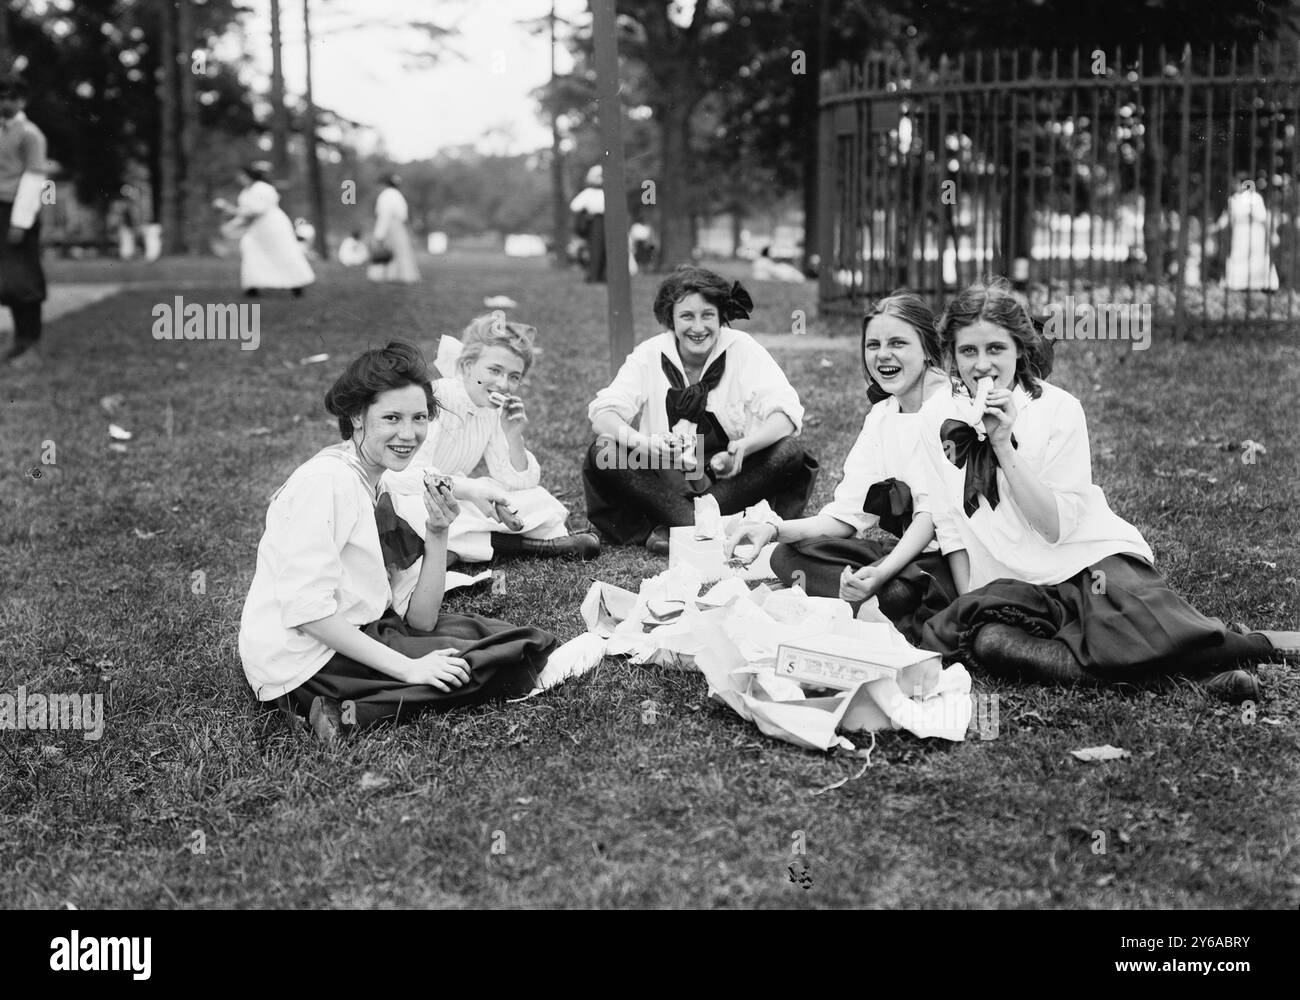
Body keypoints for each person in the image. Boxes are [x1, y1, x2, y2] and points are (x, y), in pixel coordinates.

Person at [914, 278, 1299, 700]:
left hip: (1085, 562)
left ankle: (1251, 645)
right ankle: (1184, 675)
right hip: (1012, 581)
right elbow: (950, 525)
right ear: (951, 355)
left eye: (995, 349)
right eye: (968, 350)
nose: (982, 365)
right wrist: (974, 599)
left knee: (1136, 628)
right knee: (992, 644)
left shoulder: (1059, 410)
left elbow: (1054, 527)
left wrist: (1004, 444)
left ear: (1020, 350)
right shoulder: (936, 416)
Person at [239, 341, 558, 742]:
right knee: (499, 665)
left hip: (366, 627)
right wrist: (409, 668)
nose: (408, 434)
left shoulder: (380, 478)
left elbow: (421, 619)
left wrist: (439, 533)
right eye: (391, 418)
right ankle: (348, 712)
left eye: (419, 418)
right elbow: (307, 613)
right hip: (306, 659)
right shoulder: (326, 484)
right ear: (357, 415)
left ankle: (372, 695)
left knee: (512, 640)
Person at [725, 291, 957, 644]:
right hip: (906, 559)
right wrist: (771, 530)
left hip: (953, 560)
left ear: (927, 349)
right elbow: (847, 517)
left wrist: (880, 572)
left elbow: (932, 518)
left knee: (893, 590)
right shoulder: (883, 415)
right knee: (786, 556)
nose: (883, 355)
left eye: (898, 343)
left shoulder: (948, 407)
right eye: (874, 344)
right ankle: (872, 603)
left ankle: (885, 602)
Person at [584, 265, 818, 555]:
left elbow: (785, 413)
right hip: (662, 479)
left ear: (721, 316)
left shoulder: (743, 349)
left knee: (789, 451)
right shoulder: (649, 354)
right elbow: (603, 415)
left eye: (707, 315)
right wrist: (646, 445)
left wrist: (744, 446)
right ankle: (697, 524)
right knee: (604, 451)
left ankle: (676, 527)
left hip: (729, 480)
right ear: (670, 318)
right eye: (686, 316)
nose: (698, 328)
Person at [384, 314, 600, 564]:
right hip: (410, 491)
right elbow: (404, 475)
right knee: (421, 509)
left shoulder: (492, 411)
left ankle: (457, 551)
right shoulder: (437, 398)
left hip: (453, 495)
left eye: (514, 377)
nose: (503, 384)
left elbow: (516, 482)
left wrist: (513, 435)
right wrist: (471, 489)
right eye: (494, 370)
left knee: (536, 498)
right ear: (467, 367)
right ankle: (533, 547)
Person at [0, 74, 48, 369]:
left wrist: (20, 221)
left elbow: (34, 177)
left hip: (18, 210)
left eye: (11, 97)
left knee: (24, 278)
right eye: (1, 96)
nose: (5, 102)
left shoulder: (30, 134)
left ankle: (32, 342)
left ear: (22, 101)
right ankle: (18, 340)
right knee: (7, 281)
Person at [213, 162, 314, 297]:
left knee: (284, 253)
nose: (239, 179)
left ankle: (296, 284)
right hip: (258, 229)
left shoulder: (262, 188)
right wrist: (231, 225)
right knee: (251, 249)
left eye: (241, 176)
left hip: (273, 227)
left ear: (249, 175)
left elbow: (256, 211)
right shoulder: (245, 192)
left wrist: (227, 207)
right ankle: (252, 286)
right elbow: (244, 214)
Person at [1218, 176, 1279, 292]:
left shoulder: (1251, 198)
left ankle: (1244, 284)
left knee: (1252, 257)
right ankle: (1246, 284)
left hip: (1252, 234)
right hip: (1243, 234)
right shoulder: (1236, 199)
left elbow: (1262, 218)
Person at [368, 174, 420, 284]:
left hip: (390, 226)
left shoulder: (385, 195)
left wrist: (379, 234)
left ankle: (381, 276)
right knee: (402, 252)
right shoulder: (397, 195)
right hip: (399, 226)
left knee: (387, 252)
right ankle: (404, 275)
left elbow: (384, 216)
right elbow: (403, 215)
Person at [570, 165, 606, 283]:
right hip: (596, 222)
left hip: (606, 220)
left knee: (605, 250)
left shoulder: (607, 192)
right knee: (595, 250)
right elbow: (575, 206)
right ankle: (593, 276)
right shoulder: (589, 193)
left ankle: (602, 275)